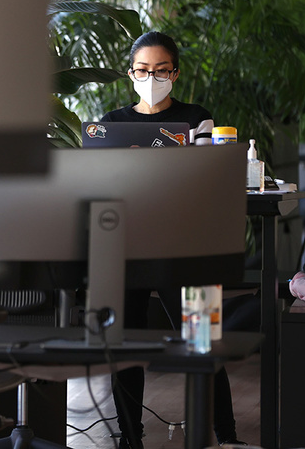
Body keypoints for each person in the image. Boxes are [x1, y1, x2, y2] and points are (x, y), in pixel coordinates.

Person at [101, 31, 246, 448]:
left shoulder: (197, 118)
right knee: (125, 346)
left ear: (175, 74)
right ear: (130, 73)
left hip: (186, 245)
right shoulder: (110, 124)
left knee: (203, 342)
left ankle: (226, 437)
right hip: (126, 245)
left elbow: (207, 178)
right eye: (143, 70)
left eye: (161, 71)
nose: (152, 78)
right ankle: (130, 438)